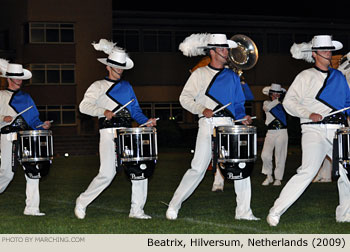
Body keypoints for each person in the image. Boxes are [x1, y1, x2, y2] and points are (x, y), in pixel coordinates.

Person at [166, 33, 259, 221]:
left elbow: (239, 103)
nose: (227, 52)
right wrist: (201, 108)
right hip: (208, 124)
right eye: (223, 49)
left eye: (227, 48)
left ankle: (244, 212)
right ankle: (174, 206)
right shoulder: (199, 74)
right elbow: (184, 99)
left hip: (229, 125)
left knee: (240, 167)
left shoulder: (233, 76)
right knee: (198, 168)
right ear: (213, 51)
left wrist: (243, 117)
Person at [267, 35, 350, 226]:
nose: (329, 53)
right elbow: (289, 102)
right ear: (314, 54)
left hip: (337, 129)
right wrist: (308, 113)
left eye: (330, 50)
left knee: (347, 172)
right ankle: (276, 210)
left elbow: (347, 103)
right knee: (307, 171)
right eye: (325, 50)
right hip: (314, 130)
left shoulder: (338, 76)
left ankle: (344, 214)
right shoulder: (305, 76)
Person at [74, 40, 157, 220]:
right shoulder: (98, 86)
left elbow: (135, 111)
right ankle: (82, 201)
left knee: (138, 170)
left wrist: (146, 122)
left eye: (122, 67)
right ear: (108, 67)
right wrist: (102, 111)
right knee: (107, 173)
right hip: (108, 133)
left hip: (128, 133)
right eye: (117, 67)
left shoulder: (127, 87)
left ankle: (137, 210)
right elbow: (84, 106)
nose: (120, 70)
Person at [0, 60, 51, 216]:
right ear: (8, 78)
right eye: (16, 78)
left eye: (20, 78)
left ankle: (32, 208)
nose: (19, 81)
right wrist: (3, 118)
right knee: (7, 173)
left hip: (26, 137)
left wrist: (43, 125)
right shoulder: (1, 96)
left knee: (33, 171)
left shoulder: (26, 98)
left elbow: (34, 120)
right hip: (8, 136)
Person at [260, 83, 288, 186]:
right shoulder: (266, 102)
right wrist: (277, 100)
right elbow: (266, 108)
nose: (276, 95)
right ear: (270, 94)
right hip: (270, 132)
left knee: (280, 155)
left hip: (282, 131)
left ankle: (278, 178)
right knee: (265, 155)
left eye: (278, 94)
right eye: (274, 93)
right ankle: (269, 176)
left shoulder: (284, 104)